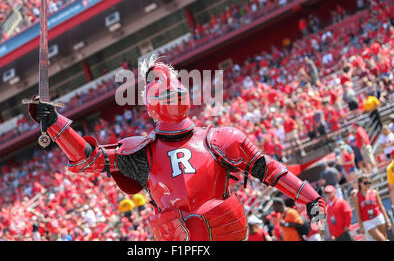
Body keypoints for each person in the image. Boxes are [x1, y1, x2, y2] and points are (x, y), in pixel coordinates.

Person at [28, 55, 326, 241]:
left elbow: (88, 160)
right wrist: (310, 197)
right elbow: (269, 170)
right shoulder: (218, 138)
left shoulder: (157, 148)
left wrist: (56, 125)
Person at [352, 175, 391, 241]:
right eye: (365, 183)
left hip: (378, 217)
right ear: (360, 184)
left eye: (369, 182)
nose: (368, 184)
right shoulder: (356, 196)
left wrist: (387, 219)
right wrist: (361, 226)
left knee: (384, 238)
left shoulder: (374, 192)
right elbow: (357, 212)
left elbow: (381, 206)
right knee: (381, 238)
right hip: (367, 221)